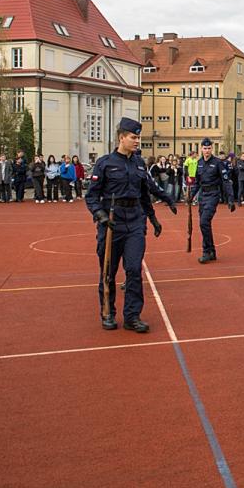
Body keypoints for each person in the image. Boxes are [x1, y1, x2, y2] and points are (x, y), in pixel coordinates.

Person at [85, 117, 177, 332]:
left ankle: (132, 316)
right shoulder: (105, 163)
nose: (137, 141)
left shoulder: (138, 163)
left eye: (139, 137)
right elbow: (91, 196)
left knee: (134, 270)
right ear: (121, 137)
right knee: (108, 270)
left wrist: (161, 207)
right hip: (112, 222)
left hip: (135, 220)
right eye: (134, 137)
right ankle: (108, 312)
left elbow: (147, 191)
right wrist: (100, 215)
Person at [190, 138, 235, 263]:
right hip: (202, 196)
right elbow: (197, 183)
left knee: (204, 222)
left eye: (209, 148)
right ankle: (212, 251)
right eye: (205, 148)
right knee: (205, 225)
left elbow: (226, 182)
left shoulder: (218, 163)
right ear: (201, 149)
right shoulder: (198, 163)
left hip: (213, 195)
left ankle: (206, 251)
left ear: (212, 149)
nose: (207, 151)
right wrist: (191, 196)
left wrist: (230, 199)